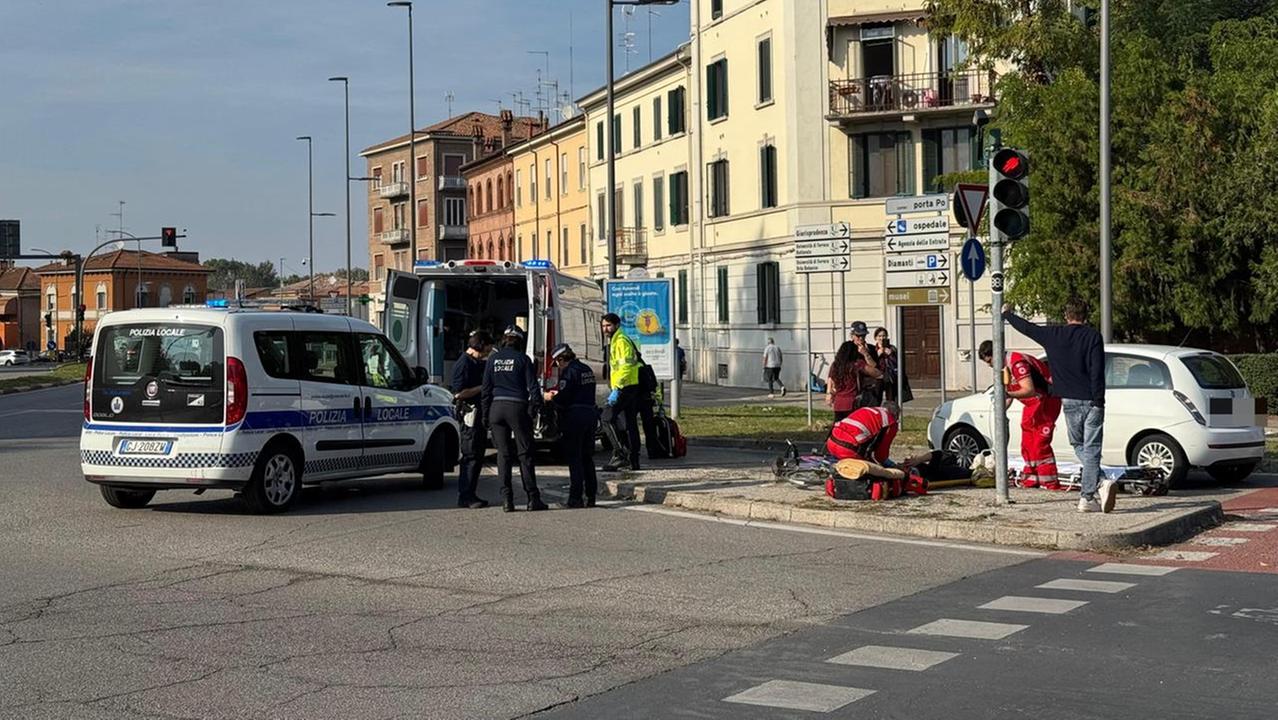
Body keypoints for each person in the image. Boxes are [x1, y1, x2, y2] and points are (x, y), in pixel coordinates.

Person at [1005, 300, 1111, 513]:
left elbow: (1028, 328)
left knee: (1078, 445)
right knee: (1092, 448)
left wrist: (1008, 314)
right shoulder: (1093, 336)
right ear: (1086, 315)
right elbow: (1097, 370)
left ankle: (1096, 487)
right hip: (1092, 400)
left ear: (1066, 315)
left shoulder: (1054, 335)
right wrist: (1099, 400)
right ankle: (1093, 489)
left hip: (1069, 401)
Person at [979, 339, 1063, 490]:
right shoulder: (1006, 367)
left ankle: (1049, 481)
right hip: (1034, 403)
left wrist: (1006, 393)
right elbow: (1010, 393)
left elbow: (1028, 389)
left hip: (1046, 402)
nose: (989, 365)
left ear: (996, 355)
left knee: (1039, 443)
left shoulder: (1017, 364)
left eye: (989, 361)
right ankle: (1031, 479)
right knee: (1027, 441)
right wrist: (1000, 411)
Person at [481, 325, 548, 512]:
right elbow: (533, 388)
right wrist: (536, 409)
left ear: (504, 339)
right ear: (519, 340)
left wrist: (486, 414)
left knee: (503, 456)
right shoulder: (523, 359)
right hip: (517, 407)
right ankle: (533, 498)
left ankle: (507, 500)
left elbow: (486, 390)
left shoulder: (493, 359)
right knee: (525, 454)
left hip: (496, 408)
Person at [544, 343, 599, 508]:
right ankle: (591, 497)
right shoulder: (586, 369)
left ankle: (575, 498)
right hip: (590, 415)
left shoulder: (569, 372)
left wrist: (550, 398)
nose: (557, 366)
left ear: (562, 358)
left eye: (557, 362)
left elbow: (564, 398)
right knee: (587, 458)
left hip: (574, 417)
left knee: (575, 459)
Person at [451, 330, 493, 509]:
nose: (490, 350)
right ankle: (465, 495)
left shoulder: (478, 363)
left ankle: (471, 493)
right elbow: (459, 393)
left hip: (478, 416)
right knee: (470, 456)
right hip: (469, 415)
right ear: (481, 344)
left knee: (477, 455)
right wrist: (482, 388)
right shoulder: (463, 363)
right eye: (488, 347)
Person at [601, 313, 643, 472]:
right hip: (630, 387)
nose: (606, 329)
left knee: (606, 418)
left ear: (617, 325)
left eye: (608, 325)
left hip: (625, 387)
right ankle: (634, 460)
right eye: (604, 326)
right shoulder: (618, 339)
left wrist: (617, 389)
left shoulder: (620, 341)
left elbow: (625, 367)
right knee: (629, 424)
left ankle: (621, 455)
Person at [826, 337, 882, 424]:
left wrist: (829, 393)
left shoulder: (835, 365)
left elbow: (831, 379)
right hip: (853, 403)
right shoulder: (856, 364)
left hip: (838, 404)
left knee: (839, 429)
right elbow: (877, 373)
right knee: (854, 429)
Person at [827, 402, 900, 464]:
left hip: (831, 442)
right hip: (847, 450)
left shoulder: (867, 409)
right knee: (871, 472)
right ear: (896, 415)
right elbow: (880, 455)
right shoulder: (890, 422)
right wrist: (891, 466)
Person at [873, 326, 913, 404]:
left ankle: (891, 413)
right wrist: (877, 354)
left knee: (891, 399)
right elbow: (872, 363)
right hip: (878, 376)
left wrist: (891, 354)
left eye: (884, 336)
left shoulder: (892, 348)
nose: (881, 338)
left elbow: (899, 362)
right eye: (879, 336)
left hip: (890, 376)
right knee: (876, 398)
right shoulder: (873, 349)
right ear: (875, 338)